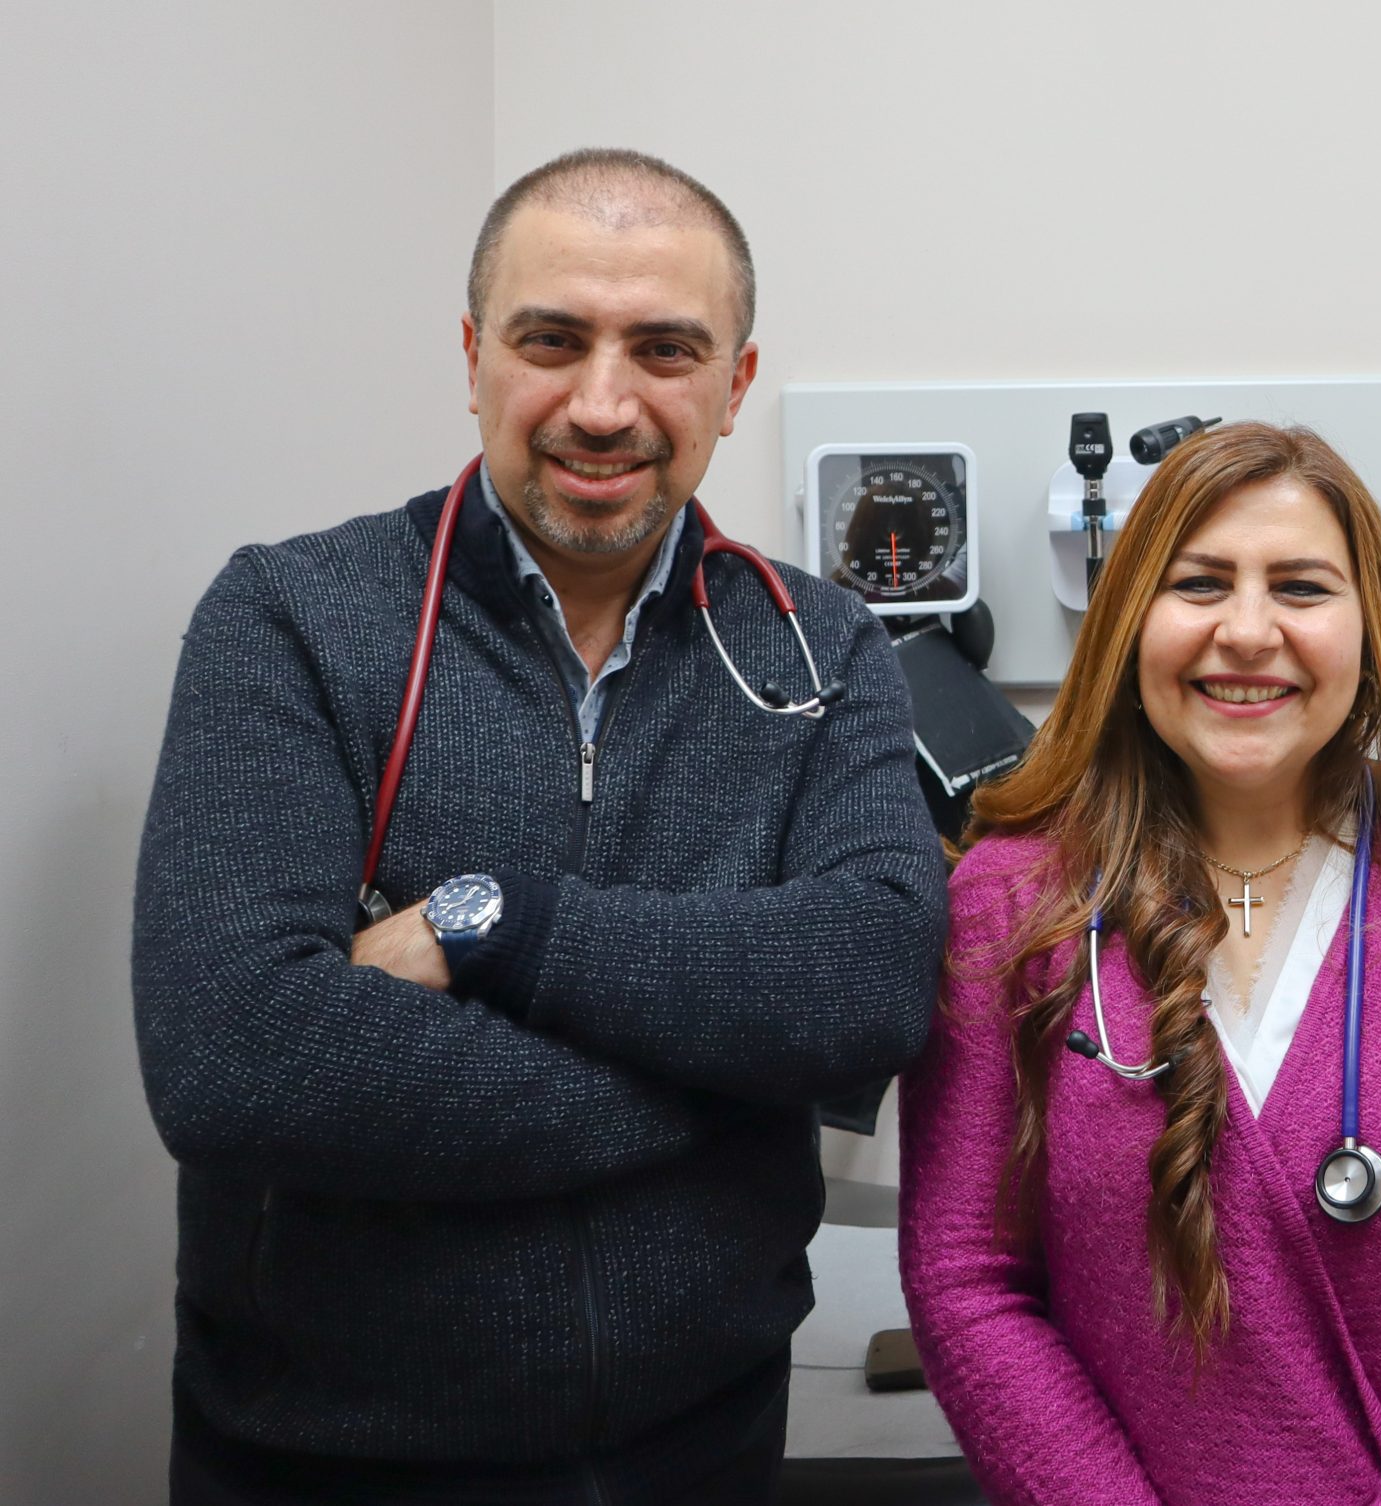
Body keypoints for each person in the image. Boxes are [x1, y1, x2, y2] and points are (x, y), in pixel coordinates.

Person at [131, 148, 946, 1504]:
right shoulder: (291, 620)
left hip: (708, 1444)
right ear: (472, 357)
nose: (603, 402)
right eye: (552, 340)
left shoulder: (822, 648)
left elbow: (869, 981)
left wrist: (491, 922)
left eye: (667, 349)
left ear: (736, 384)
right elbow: (237, 1059)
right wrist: (730, 1081)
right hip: (323, 1457)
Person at [898, 422, 1381, 1505]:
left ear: (1370, 628)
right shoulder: (1011, 905)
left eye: (1300, 588)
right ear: (1126, 621)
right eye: (1198, 584)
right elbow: (968, 1279)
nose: (1248, 632)